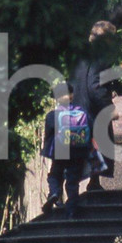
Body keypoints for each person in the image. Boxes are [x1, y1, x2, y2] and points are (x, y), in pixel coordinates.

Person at [70, 20, 119, 191]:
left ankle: (89, 185)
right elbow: (94, 85)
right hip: (93, 110)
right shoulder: (100, 57)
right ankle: (93, 183)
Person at [42, 82, 93, 219]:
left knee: (54, 175)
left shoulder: (52, 116)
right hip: (78, 152)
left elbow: (49, 136)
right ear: (72, 96)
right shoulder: (82, 113)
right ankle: (71, 212)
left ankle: (54, 192)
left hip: (60, 151)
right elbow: (90, 131)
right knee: (73, 181)